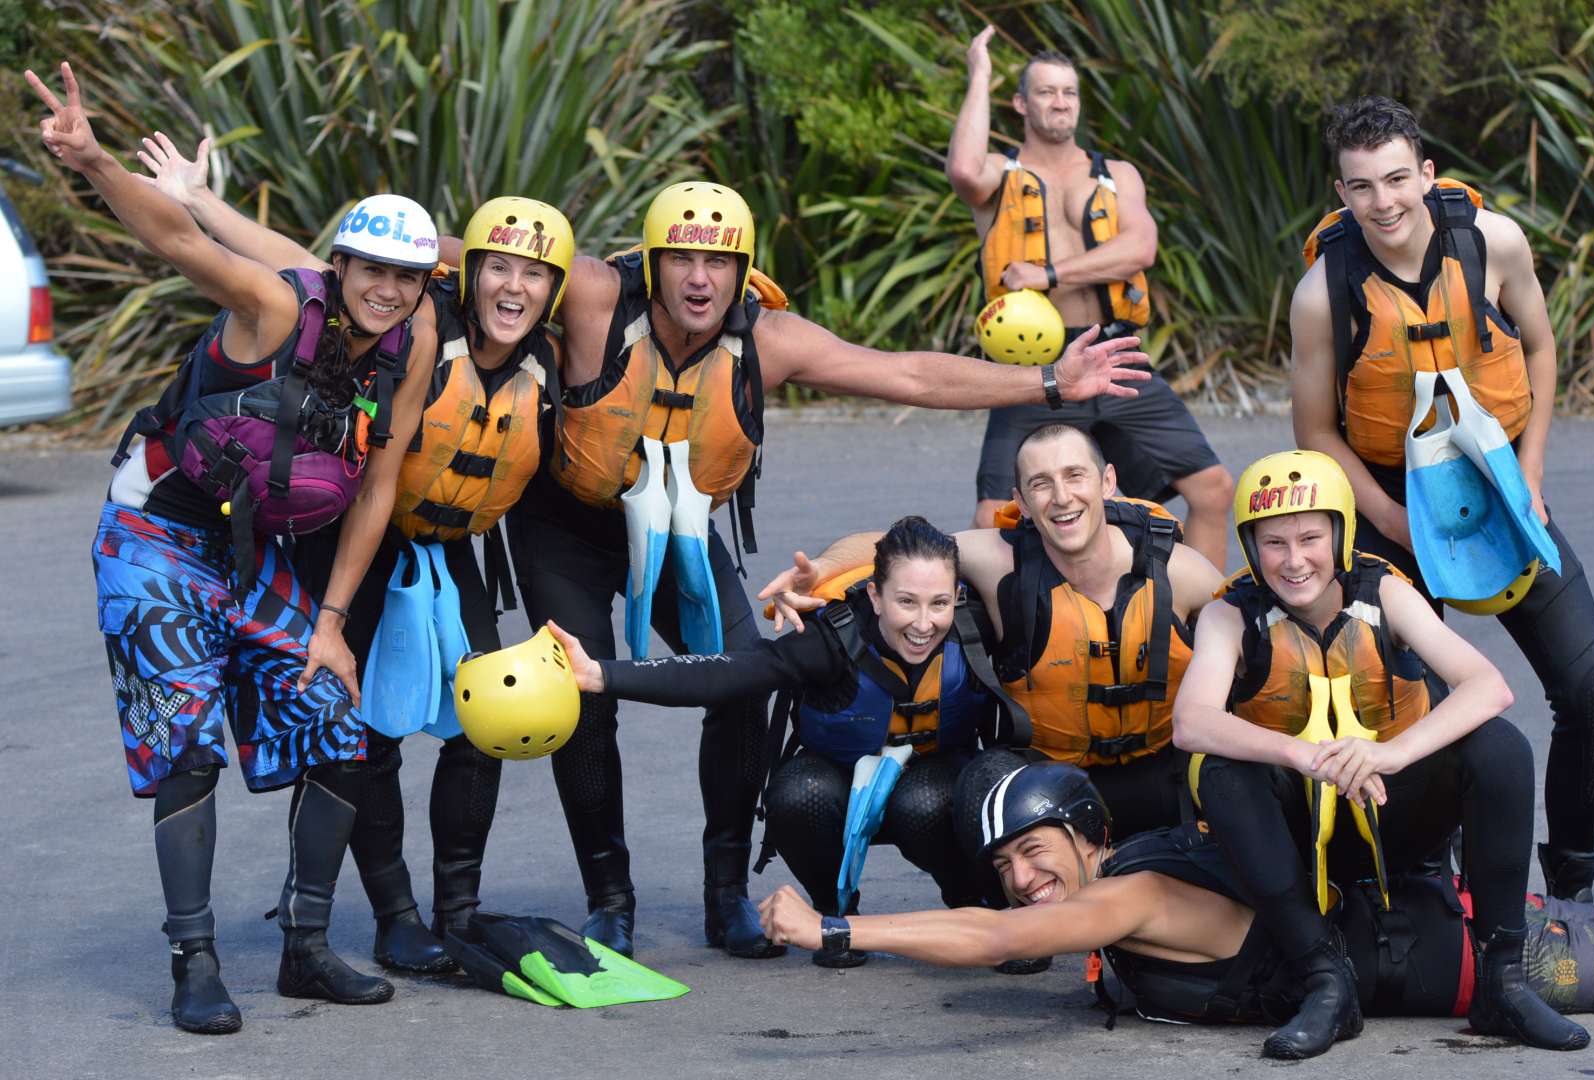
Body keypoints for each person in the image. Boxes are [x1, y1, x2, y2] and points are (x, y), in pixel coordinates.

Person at [473, 180, 1153, 960]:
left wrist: (1047, 383)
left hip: (678, 524)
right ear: (655, 263)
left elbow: (908, 376)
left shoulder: (771, 339)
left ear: (743, 271)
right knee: (578, 699)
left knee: (744, 679)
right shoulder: (593, 296)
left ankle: (725, 892)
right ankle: (610, 899)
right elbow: (469, 255)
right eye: (685, 261)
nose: (702, 279)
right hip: (564, 523)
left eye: (720, 264)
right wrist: (375, 276)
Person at [28, 62, 440, 1032]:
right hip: (157, 530)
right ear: (337, 269)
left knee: (336, 722)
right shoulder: (277, 306)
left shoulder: (408, 341)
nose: (388, 292)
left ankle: (304, 948)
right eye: (371, 270)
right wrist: (91, 160)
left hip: (250, 553)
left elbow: (379, 481)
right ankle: (194, 960)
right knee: (189, 740)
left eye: (407, 278)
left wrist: (332, 624)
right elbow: (174, 238)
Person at [137, 133, 576, 974]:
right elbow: (295, 264)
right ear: (465, 273)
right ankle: (394, 914)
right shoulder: (413, 318)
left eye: (533, 276)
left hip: (454, 552)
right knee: (359, 729)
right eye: (497, 269)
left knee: (488, 722)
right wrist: (197, 200)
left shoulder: (543, 363)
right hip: (362, 544)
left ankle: (457, 908)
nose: (513, 289)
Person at [1289, 95, 1594, 902]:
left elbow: (1540, 350)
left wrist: (1531, 475)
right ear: (1341, 193)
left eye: (1398, 178)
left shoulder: (1493, 243)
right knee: (1411, 714)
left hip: (1499, 484)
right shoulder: (1319, 293)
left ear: (1427, 174)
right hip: (1389, 502)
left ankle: (1570, 883)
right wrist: (1394, 520)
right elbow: (1316, 434)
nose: (1384, 202)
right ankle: (1432, 886)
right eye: (1362, 187)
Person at [1171, 448, 1590, 1056]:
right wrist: (1306, 756)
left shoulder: (1386, 592)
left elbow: (1488, 686)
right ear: (1251, 546)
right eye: (1274, 543)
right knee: (1220, 769)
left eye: (1310, 538)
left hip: (1390, 810)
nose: (1294, 561)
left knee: (1500, 747)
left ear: (1340, 534)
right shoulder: (1229, 614)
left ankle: (1502, 979)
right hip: (1294, 833)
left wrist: (1391, 754)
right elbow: (1192, 722)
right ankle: (1324, 979)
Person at [758, 762, 1594, 1044]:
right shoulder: (1125, 890)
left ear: (1090, 834)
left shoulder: (1134, 892)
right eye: (1005, 865)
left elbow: (993, 935)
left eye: (1033, 850)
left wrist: (833, 929)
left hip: (1510, 949)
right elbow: (995, 919)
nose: (1021, 878)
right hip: (1443, 943)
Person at [548, 517, 1009, 968]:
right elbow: (727, 673)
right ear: (875, 593)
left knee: (926, 801)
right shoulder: (832, 637)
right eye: (906, 602)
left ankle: (981, 908)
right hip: (838, 785)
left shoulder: (976, 631)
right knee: (799, 794)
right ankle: (835, 913)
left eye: (939, 604)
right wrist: (603, 674)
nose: (924, 624)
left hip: (936, 786)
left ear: (958, 597)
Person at [762, 423, 1222, 848]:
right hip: (1049, 778)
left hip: (1167, 777)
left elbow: (1250, 639)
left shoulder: (1181, 573)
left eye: (1074, 476)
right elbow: (891, 548)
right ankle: (992, 909)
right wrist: (821, 569)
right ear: (1021, 501)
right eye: (1041, 483)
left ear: (1107, 482)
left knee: (1240, 774)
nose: (1061, 497)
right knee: (983, 777)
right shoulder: (998, 559)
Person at [945, 27, 1232, 565]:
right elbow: (961, 168)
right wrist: (979, 72)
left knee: (1213, 489)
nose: (1061, 102)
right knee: (993, 516)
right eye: (1047, 91)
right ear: (1021, 103)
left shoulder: (1117, 175)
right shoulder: (997, 179)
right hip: (1033, 365)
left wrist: (1047, 274)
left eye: (1069, 92)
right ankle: (999, 640)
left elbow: (1139, 248)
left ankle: (1196, 624)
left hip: (1114, 351)